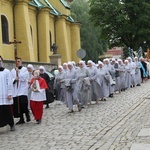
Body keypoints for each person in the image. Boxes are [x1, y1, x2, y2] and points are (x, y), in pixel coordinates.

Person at [11, 57, 30, 124]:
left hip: (23, 89)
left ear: (21, 62)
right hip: (16, 90)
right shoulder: (12, 71)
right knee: (18, 105)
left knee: (23, 104)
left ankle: (27, 115)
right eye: (16, 61)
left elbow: (24, 78)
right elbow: (11, 79)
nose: (18, 62)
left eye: (19, 61)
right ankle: (21, 118)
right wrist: (14, 79)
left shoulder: (24, 70)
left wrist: (19, 72)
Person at [0, 56, 15, 131]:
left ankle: (11, 124)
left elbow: (9, 83)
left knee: (7, 110)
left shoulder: (6, 72)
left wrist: (9, 94)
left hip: (5, 94)